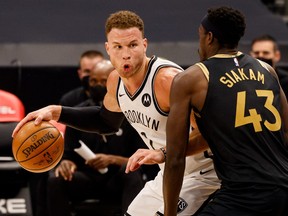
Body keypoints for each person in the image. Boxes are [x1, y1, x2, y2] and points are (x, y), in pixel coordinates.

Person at [12, 10, 220, 215]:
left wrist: (162, 153)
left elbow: (210, 135)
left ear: (144, 45)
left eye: (133, 45)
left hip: (204, 175)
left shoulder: (167, 81)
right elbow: (105, 122)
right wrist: (56, 112)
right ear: (108, 49)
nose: (126, 54)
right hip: (169, 174)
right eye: (118, 47)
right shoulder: (115, 81)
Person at [164, 6, 288, 216]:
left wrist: (169, 214)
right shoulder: (267, 70)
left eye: (200, 36)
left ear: (209, 37)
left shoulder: (191, 79)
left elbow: (175, 159)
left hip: (244, 195)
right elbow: (285, 132)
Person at [46, 59, 156, 216]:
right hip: (87, 177)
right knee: (55, 179)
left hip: (117, 178)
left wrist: (111, 159)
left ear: (114, 82)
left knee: (132, 174)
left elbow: (145, 160)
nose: (97, 85)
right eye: (93, 80)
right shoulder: (79, 113)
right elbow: (69, 154)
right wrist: (66, 163)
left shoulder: (133, 113)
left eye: (103, 81)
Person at [250, 34, 288, 99]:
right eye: (256, 53)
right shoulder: (244, 80)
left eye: (265, 53)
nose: (260, 56)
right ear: (250, 55)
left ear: (277, 55)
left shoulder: (286, 82)